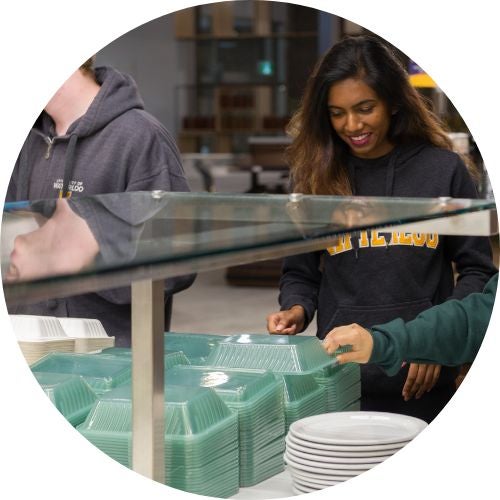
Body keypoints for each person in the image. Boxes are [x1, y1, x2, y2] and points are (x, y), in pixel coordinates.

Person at [266, 35, 497, 422]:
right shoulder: (315, 178)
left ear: (392, 102)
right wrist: (295, 309)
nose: (351, 125)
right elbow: (300, 273)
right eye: (336, 113)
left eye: (364, 108)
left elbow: (477, 271)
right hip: (340, 374)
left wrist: (435, 342)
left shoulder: (443, 171)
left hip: (422, 375)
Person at [5, 57, 195, 346]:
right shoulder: (29, 140)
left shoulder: (141, 138)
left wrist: (77, 258)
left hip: (110, 363)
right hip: (32, 351)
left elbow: (176, 264)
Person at [322, 273, 497, 398]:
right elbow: (476, 317)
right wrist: (383, 343)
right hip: (342, 384)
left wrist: (429, 351)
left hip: (427, 389)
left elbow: (476, 276)